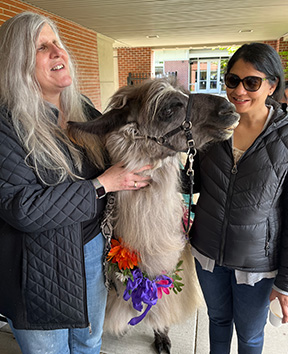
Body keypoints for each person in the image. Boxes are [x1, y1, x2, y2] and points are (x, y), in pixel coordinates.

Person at [0, 12, 151, 354]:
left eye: (57, 42)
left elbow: (122, 151)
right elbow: (22, 208)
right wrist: (101, 185)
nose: (58, 51)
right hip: (37, 265)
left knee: (89, 341)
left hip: (90, 247)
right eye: (42, 47)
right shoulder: (7, 126)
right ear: (17, 63)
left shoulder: (81, 109)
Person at [189, 42, 288, 354]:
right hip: (207, 252)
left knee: (249, 335)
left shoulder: (285, 138)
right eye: (232, 80)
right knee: (217, 321)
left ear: (272, 84)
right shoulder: (212, 126)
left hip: (256, 263)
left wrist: (285, 281)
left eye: (252, 82)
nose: (239, 90)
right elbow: (195, 182)